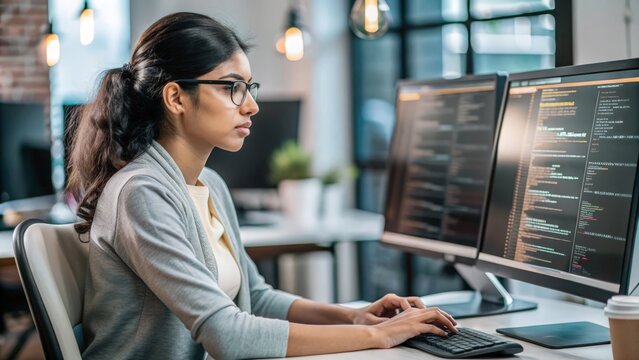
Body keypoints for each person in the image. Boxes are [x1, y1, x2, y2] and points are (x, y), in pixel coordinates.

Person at [66, 12, 457, 360]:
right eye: (231, 87)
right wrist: (374, 336)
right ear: (175, 97)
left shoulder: (211, 186)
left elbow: (258, 298)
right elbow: (228, 336)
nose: (251, 105)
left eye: (249, 88)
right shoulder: (141, 193)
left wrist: (353, 315)